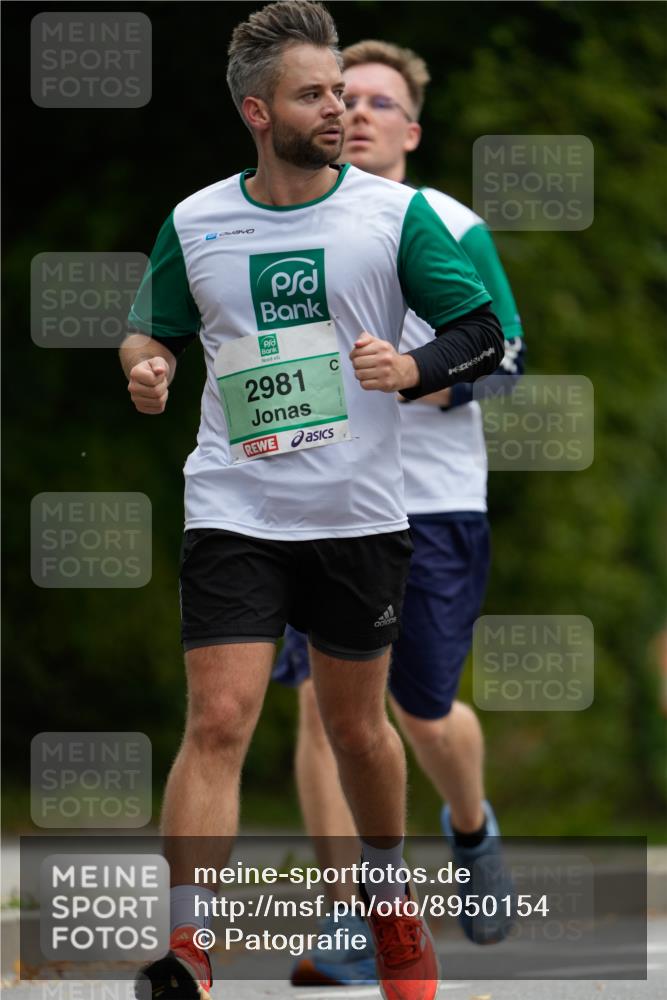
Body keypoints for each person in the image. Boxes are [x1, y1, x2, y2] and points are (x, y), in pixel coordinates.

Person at [121, 3, 503, 998]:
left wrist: (410, 362)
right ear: (258, 110)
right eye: (314, 93)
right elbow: (151, 325)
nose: (337, 108)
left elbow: (479, 334)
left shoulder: (395, 217)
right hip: (234, 508)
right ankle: (190, 944)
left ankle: (388, 904)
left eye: (342, 90)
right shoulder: (196, 219)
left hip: (358, 517)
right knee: (217, 722)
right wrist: (150, 363)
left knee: (360, 730)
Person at [271, 39, 525, 987]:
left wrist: (419, 380)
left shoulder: (448, 224)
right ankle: (357, 918)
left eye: (378, 100)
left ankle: (470, 824)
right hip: (319, 501)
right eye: (343, 96)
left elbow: (506, 360)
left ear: (410, 129)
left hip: (431, 505)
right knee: (323, 714)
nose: (358, 111)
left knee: (419, 711)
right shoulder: (281, 221)